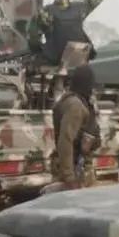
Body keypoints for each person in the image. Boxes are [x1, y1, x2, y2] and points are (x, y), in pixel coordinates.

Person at [27, 0, 109, 67]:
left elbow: (32, 37)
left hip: (53, 60)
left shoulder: (44, 12)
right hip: (79, 57)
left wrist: (39, 52)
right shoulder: (80, 8)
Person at [42, 65, 102, 193]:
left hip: (74, 166)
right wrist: (70, 177)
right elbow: (66, 140)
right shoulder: (76, 106)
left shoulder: (72, 100)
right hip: (73, 168)